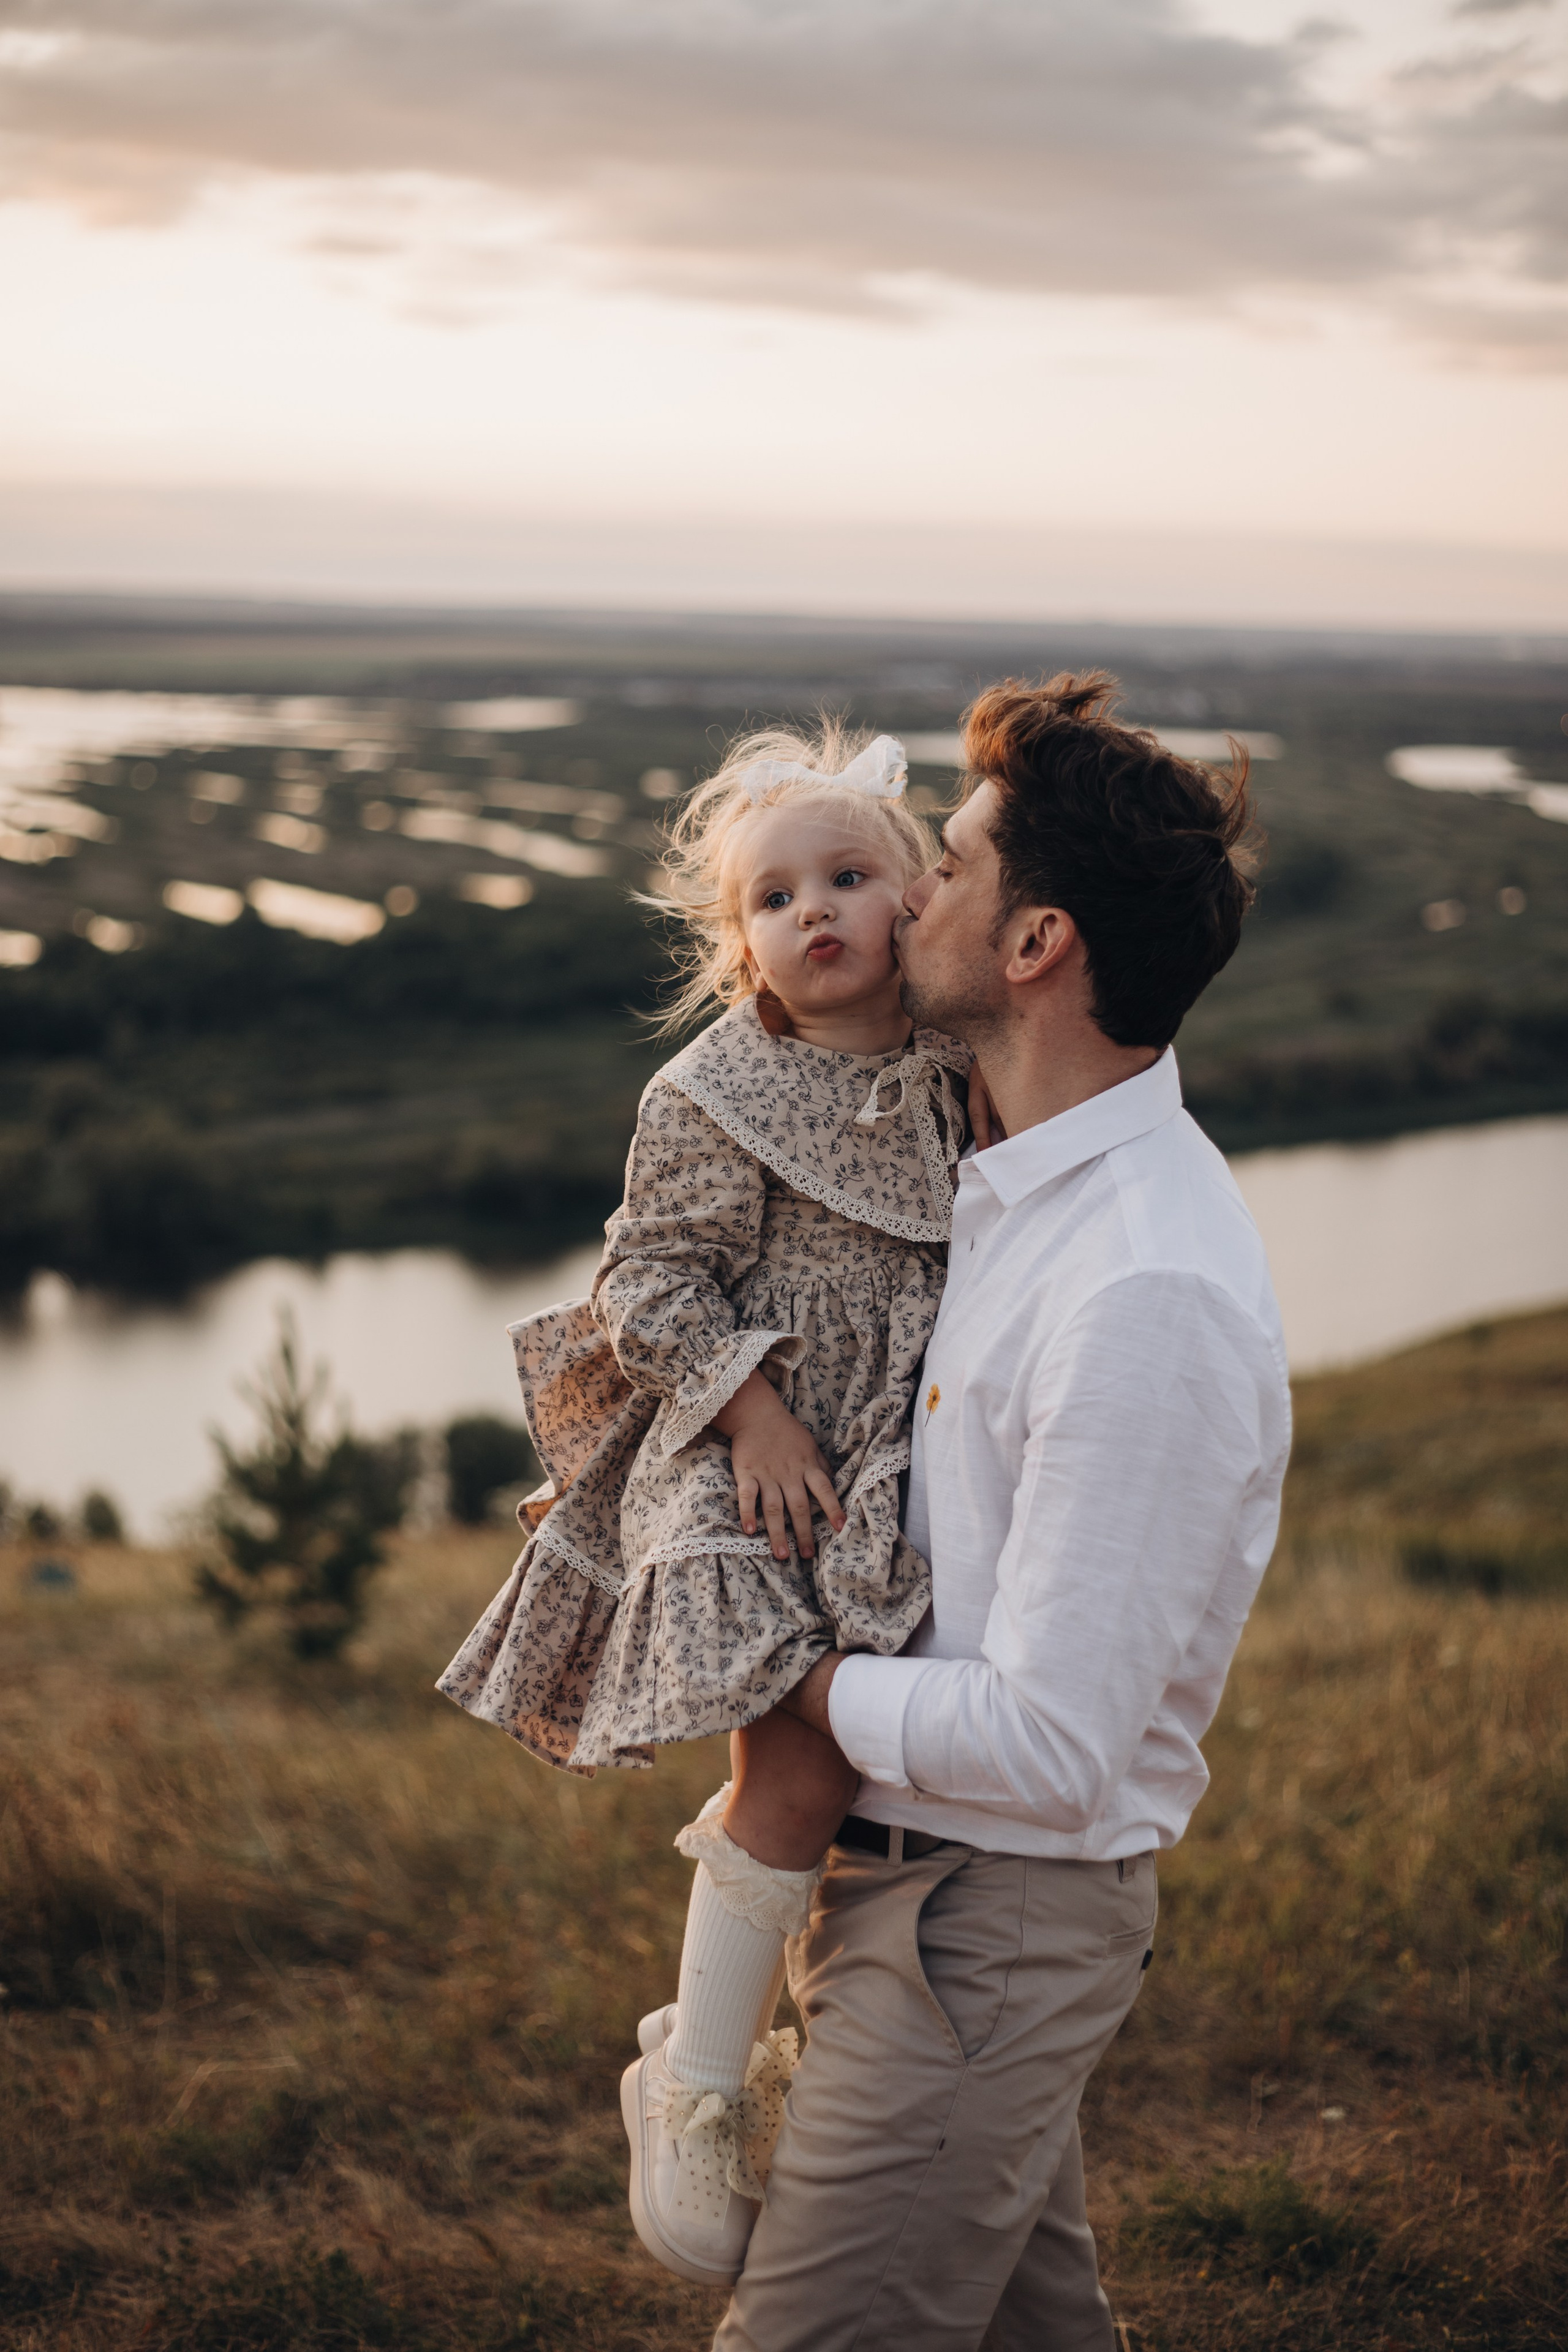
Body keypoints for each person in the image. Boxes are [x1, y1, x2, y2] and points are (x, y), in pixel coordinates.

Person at [713, 671, 1292, 2351]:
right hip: (910, 1890)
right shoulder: (996, 1179)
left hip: (990, 1924)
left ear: (1032, 945)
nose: (904, 894)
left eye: (946, 866)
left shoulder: (1144, 1289)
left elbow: (1057, 1742)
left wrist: (792, 1679)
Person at [436, 722, 972, 2283]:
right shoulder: (717, 1086)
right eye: (773, 897)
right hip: (745, 1444)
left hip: (880, 1444)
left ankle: (756, 2050)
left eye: (848, 877)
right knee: (798, 1760)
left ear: (914, 897)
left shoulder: (950, 1063)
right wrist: (749, 1414)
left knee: (844, 1777)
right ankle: (692, 2085)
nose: (812, 913)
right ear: (732, 940)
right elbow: (643, 1283)